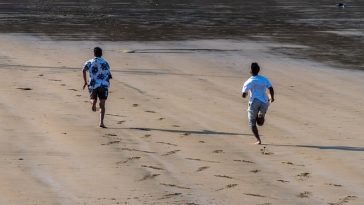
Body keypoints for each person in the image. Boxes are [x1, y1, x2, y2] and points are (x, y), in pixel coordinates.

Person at [242, 62, 274, 145]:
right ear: (259, 70)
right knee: (260, 123)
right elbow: (270, 88)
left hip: (254, 102)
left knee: (252, 123)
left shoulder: (249, 81)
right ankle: (261, 116)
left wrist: (246, 93)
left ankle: (258, 140)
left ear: (250, 71)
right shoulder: (264, 79)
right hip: (264, 102)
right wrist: (272, 97)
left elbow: (244, 95)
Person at [82, 47, 112, 128]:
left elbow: (84, 70)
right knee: (102, 104)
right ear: (101, 54)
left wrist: (85, 82)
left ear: (94, 54)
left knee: (92, 98)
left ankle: (93, 102)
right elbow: (109, 75)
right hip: (103, 85)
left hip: (93, 84)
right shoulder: (105, 63)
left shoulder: (90, 62)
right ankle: (101, 123)